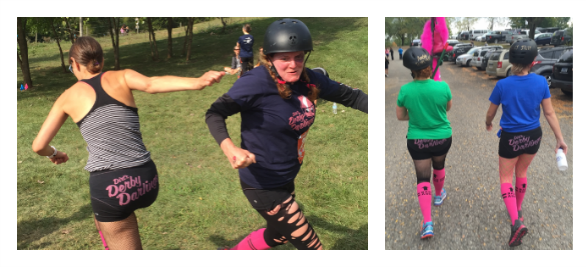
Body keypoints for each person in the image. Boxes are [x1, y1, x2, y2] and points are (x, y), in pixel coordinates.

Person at [31, 37, 225, 250]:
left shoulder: (67, 97)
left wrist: (54, 153)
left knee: (108, 213)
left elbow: (39, 146)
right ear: (101, 61)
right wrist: (198, 82)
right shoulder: (123, 76)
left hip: (111, 187)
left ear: (74, 63)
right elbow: (152, 84)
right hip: (146, 180)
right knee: (102, 216)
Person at [205, 18, 368, 250]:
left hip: (285, 178)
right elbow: (214, 113)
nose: (293, 65)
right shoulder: (256, 82)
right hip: (262, 184)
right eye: (284, 58)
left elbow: (353, 96)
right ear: (270, 57)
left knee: (278, 236)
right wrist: (230, 149)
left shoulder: (307, 79)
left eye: (298, 57)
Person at [484, 39, 567, 247]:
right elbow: (549, 112)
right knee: (521, 173)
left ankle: (516, 223)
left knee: (505, 177)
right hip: (533, 136)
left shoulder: (502, 85)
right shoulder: (540, 82)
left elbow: (491, 113)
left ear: (511, 60)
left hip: (511, 138)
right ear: (533, 62)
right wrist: (560, 139)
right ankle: (518, 208)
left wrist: (488, 123)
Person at [396, 47, 452, 239]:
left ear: (411, 70)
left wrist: (417, 115)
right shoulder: (443, 87)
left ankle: (427, 223)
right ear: (429, 66)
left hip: (417, 140)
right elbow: (447, 108)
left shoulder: (405, 90)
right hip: (442, 138)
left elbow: (401, 116)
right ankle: (439, 195)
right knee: (439, 165)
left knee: (422, 178)